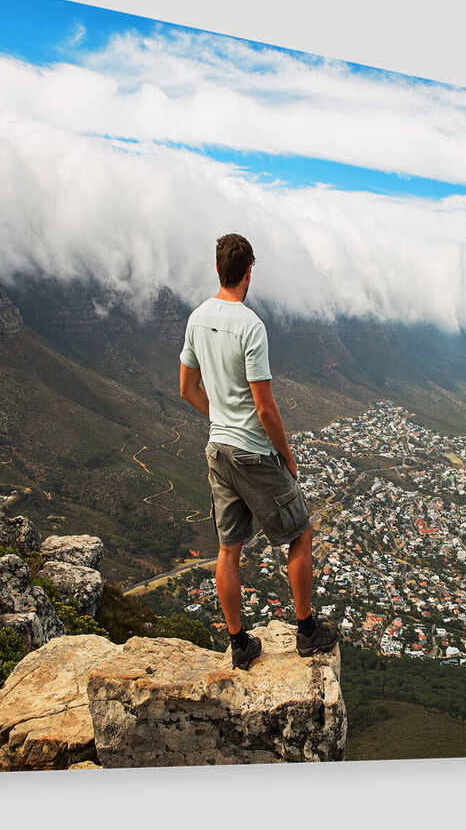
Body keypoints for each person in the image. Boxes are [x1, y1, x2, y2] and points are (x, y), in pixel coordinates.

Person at [178, 233, 339, 670]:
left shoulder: (196, 319)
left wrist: (219, 417)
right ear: (249, 270)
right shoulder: (250, 326)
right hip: (253, 452)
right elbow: (265, 407)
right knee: (300, 532)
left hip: (218, 450)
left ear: (218, 269)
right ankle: (306, 632)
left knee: (228, 549)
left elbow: (187, 388)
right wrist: (287, 455)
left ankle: (239, 643)